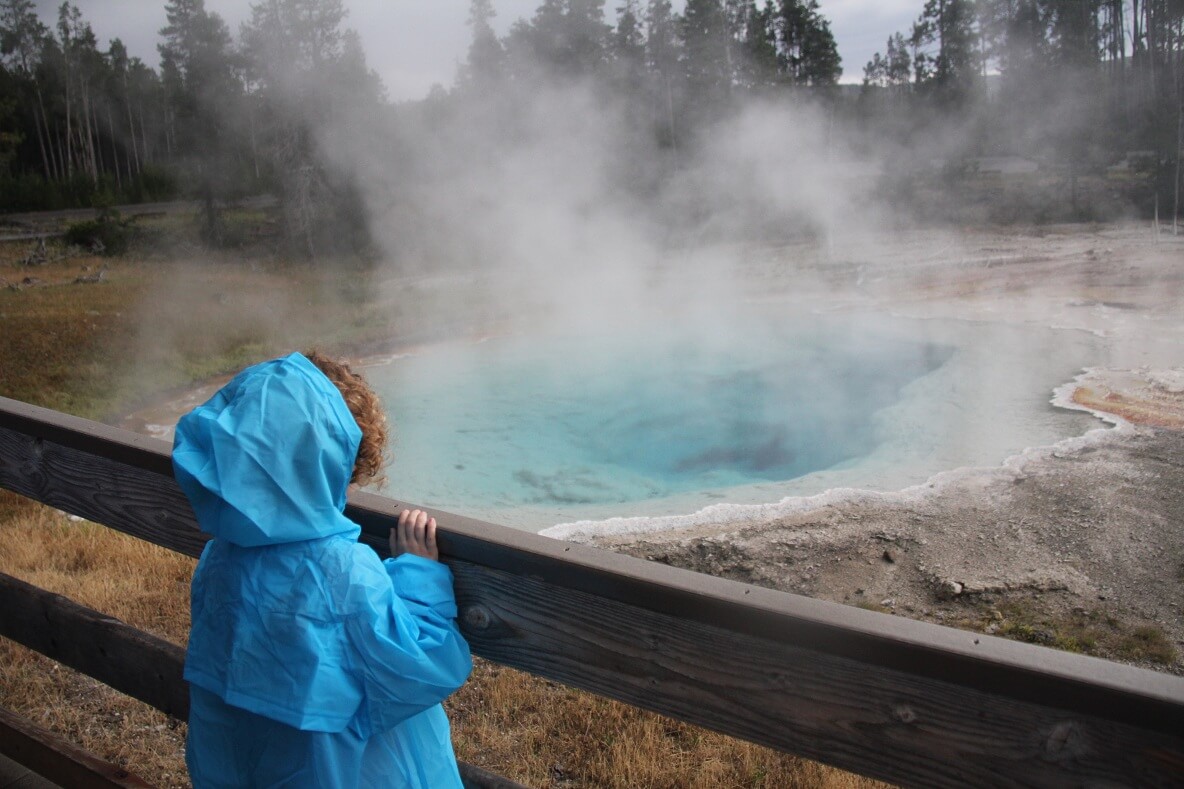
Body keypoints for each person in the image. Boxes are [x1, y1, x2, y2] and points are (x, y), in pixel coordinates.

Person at [173, 350, 472, 788]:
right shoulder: (344, 573)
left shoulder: (219, 556)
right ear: (337, 460)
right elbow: (422, 667)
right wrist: (417, 573)